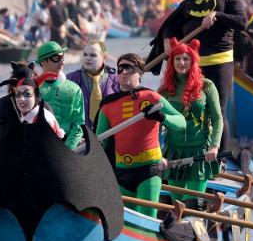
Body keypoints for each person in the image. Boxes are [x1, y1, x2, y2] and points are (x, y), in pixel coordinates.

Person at [148, 0, 246, 150]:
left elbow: (241, 21)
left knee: (217, 110)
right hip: (192, 67)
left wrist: (217, 15)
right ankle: (187, 149)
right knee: (190, 109)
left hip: (220, 65)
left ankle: (220, 157)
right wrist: (167, 40)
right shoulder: (189, 3)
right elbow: (170, 26)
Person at [95, 53, 186, 218]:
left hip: (149, 169)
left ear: (140, 73)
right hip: (122, 170)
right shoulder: (107, 106)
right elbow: (99, 142)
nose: (123, 72)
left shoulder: (151, 97)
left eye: (129, 68)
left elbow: (181, 122)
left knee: (146, 219)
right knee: (124, 221)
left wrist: (162, 117)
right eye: (120, 68)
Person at [157, 38, 223, 206]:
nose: (181, 62)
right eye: (177, 58)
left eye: (186, 58)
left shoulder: (207, 86)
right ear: (172, 61)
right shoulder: (163, 91)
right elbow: (155, 125)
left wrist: (214, 146)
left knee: (193, 204)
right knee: (177, 204)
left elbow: (217, 119)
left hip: (200, 153)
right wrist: (157, 154)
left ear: (193, 61)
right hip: (173, 153)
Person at [36, 41, 85, 149]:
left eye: (63, 57)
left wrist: (67, 150)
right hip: (38, 147)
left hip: (68, 146)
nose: (62, 62)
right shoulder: (32, 90)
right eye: (56, 58)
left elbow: (79, 125)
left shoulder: (74, 89)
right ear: (43, 62)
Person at [67, 40, 119, 129]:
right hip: (81, 134)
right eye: (85, 54)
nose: (87, 58)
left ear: (104, 58)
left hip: (109, 132)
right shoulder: (70, 79)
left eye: (93, 55)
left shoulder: (117, 80)